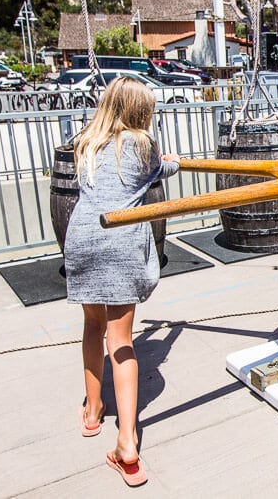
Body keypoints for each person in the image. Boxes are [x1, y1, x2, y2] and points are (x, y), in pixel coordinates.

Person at [64, 76, 180, 487]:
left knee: (92, 327)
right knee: (122, 340)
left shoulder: (86, 142)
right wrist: (178, 161)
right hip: (120, 239)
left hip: (82, 237)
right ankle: (127, 443)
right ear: (140, 112)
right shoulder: (143, 145)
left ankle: (93, 412)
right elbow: (160, 170)